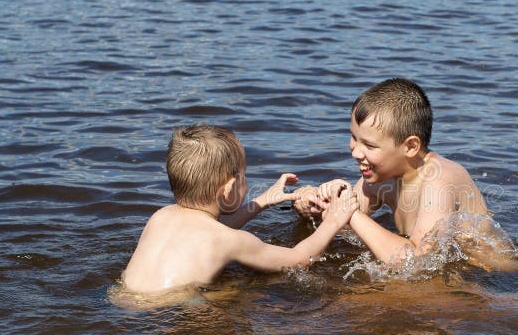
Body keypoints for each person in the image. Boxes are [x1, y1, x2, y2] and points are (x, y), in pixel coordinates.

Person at [294, 78, 518, 270]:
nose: (355, 150)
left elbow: (417, 262)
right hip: (446, 265)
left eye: (369, 146)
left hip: (487, 271)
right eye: (354, 137)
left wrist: (349, 213)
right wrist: (313, 204)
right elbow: (342, 224)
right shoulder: (379, 176)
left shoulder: (438, 180)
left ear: (410, 146)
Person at [122, 124, 358, 294]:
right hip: (178, 307)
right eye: (244, 177)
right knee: (238, 295)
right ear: (229, 188)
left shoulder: (161, 216)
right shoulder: (231, 240)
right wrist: (333, 221)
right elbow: (299, 260)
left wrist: (263, 201)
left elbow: (210, 233)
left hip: (124, 299)